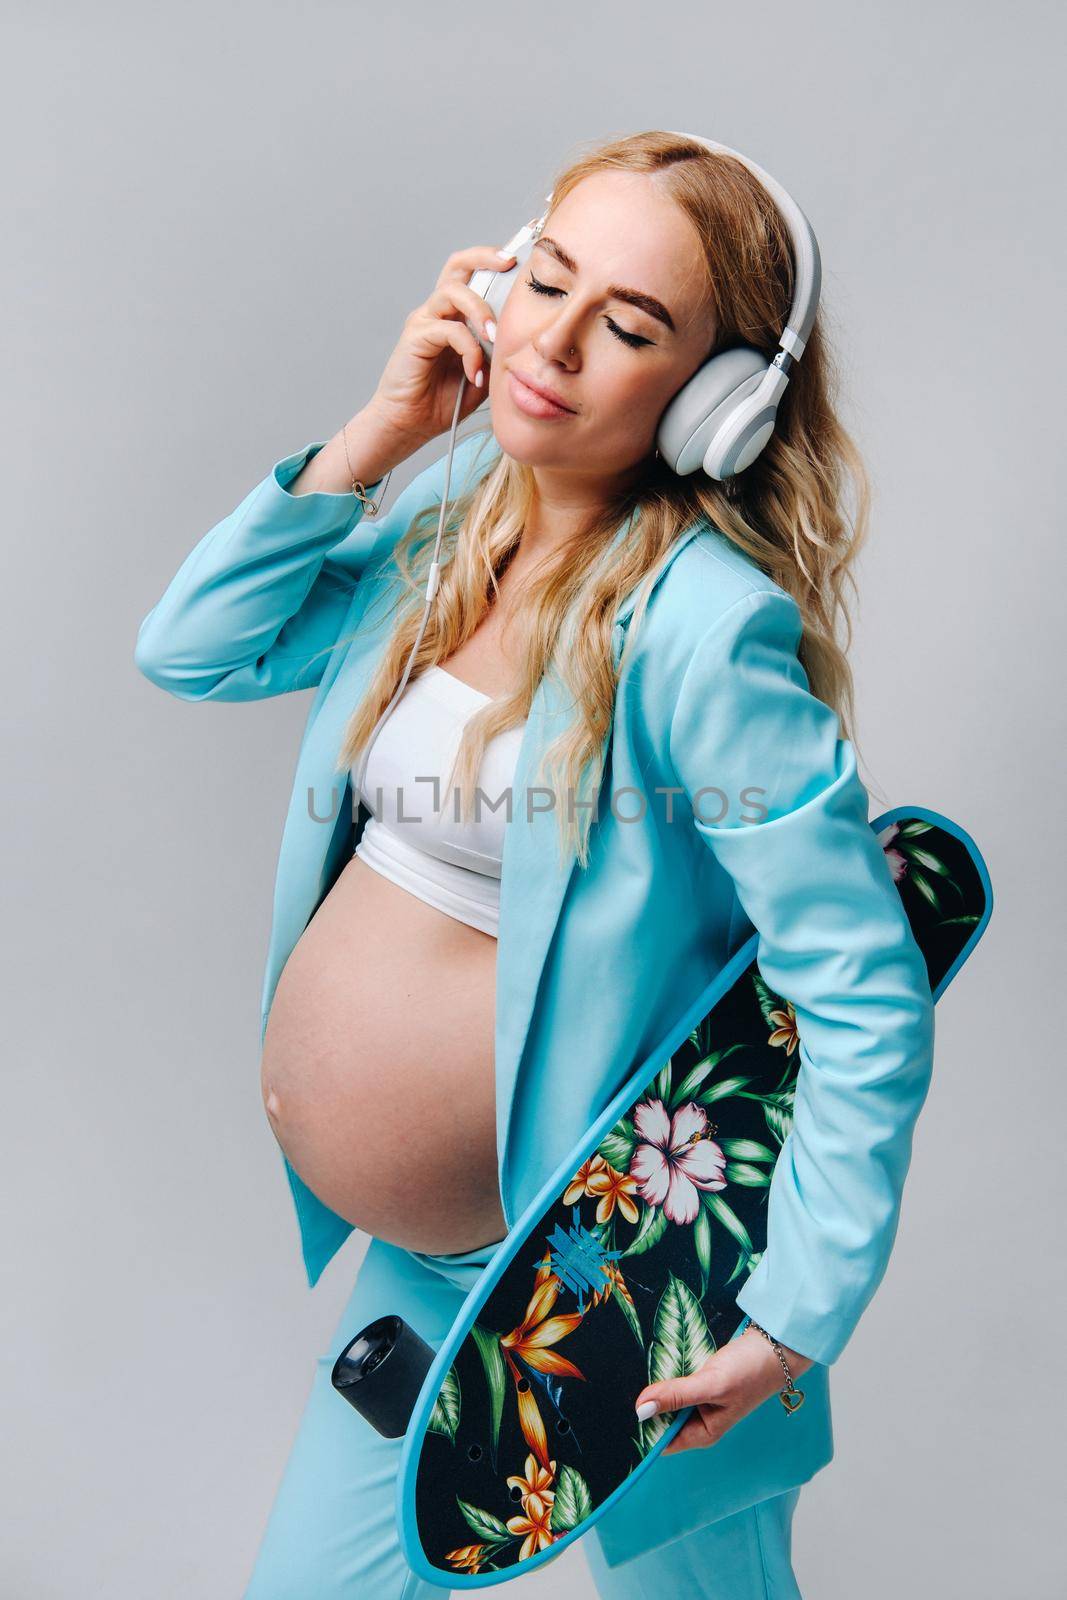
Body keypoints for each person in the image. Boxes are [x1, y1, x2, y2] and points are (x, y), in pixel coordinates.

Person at [134, 130, 936, 1598]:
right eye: (544, 281)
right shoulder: (445, 535)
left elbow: (862, 989)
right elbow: (195, 648)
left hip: (632, 1294)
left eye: (627, 327)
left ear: (719, 401)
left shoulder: (706, 635)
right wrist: (376, 437)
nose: (552, 343)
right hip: (433, 1282)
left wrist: (794, 1316)